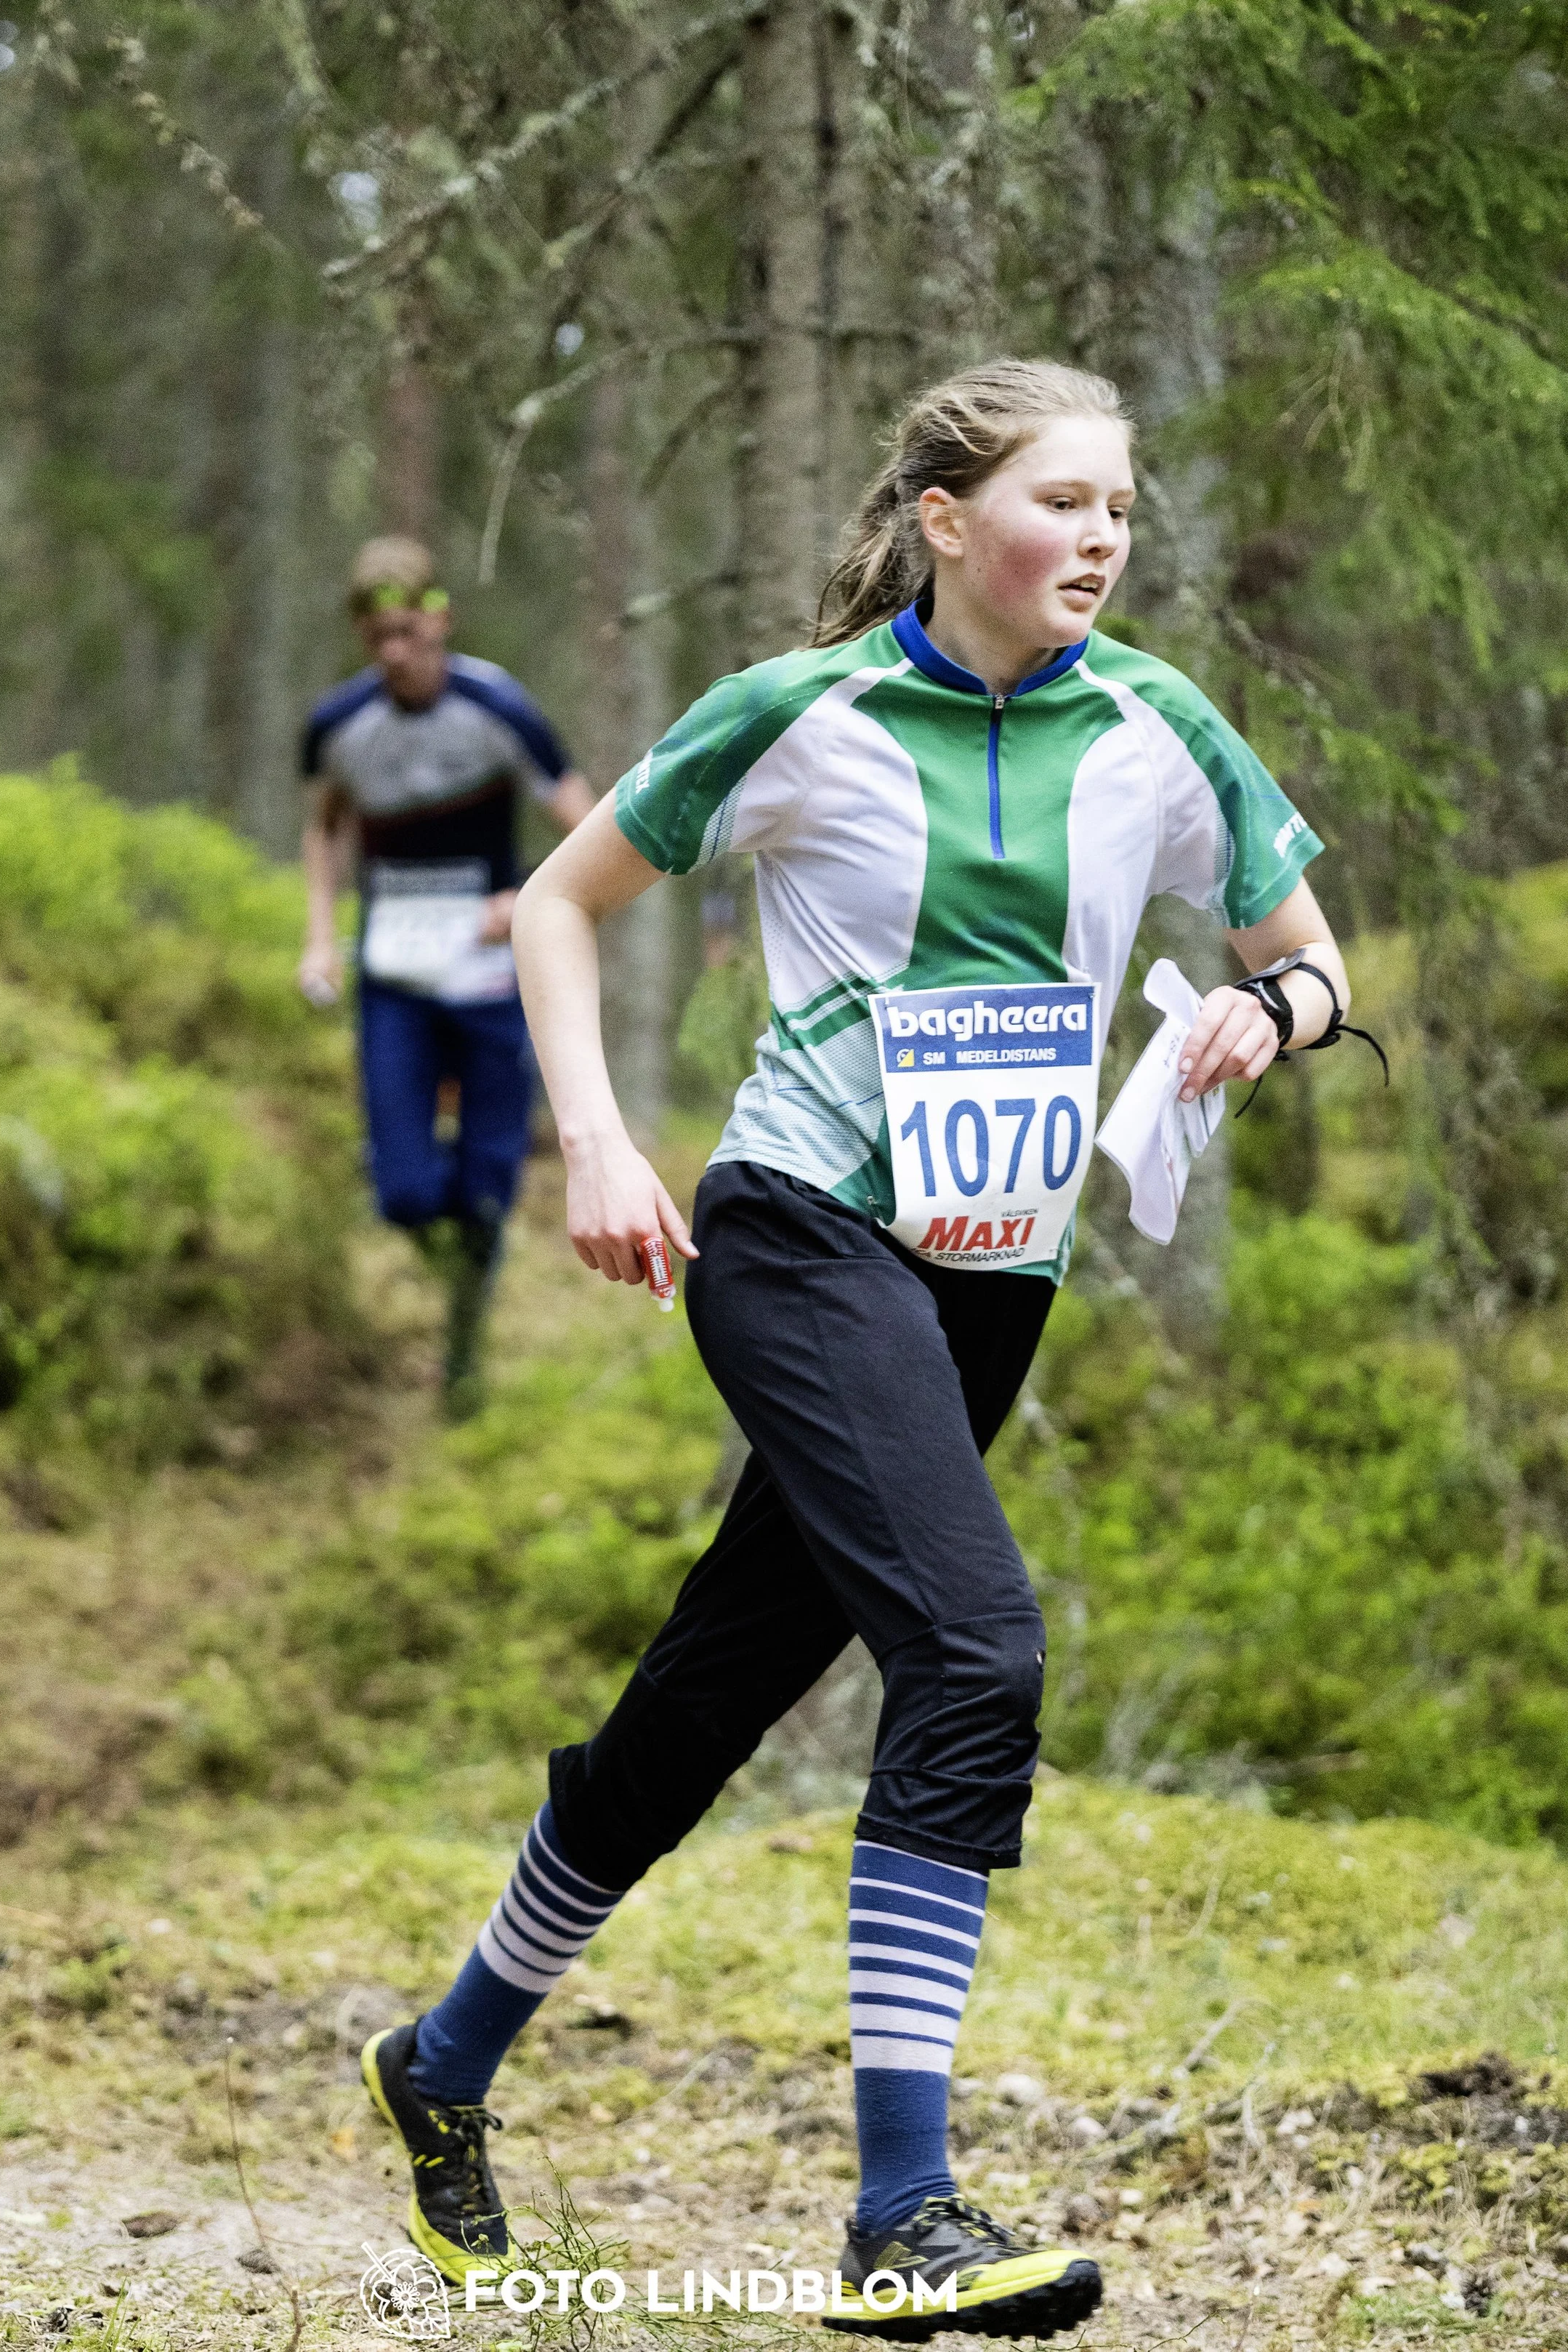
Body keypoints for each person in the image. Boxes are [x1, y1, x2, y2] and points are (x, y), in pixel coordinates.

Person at [359, 363, 1355, 2334]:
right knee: (973, 1647)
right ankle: (902, 2205)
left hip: (986, 1281)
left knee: (705, 1697)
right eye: (1057, 503)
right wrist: (594, 1139)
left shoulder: (1158, 727)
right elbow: (556, 908)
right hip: (798, 1236)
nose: (1093, 540)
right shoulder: (795, 713)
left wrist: (1275, 1016)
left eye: (1119, 515)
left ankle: (445, 2051)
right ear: (938, 516)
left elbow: (1308, 951)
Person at [299, 537, 593, 1417]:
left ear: (440, 618)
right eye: (376, 634)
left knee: (486, 1182)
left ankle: (465, 1339)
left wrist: (524, 898)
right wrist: (319, 936)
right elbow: (324, 827)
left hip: (490, 974)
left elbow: (590, 822)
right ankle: (457, 1268)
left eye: (408, 629)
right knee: (403, 1191)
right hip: (394, 969)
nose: (395, 650)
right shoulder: (338, 724)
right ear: (361, 635)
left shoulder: (496, 706)